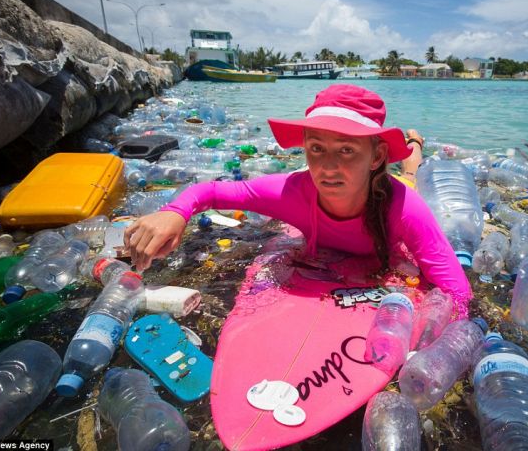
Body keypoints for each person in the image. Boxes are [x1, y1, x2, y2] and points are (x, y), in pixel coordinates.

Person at [124, 84, 472, 317]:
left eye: (347, 150)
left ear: (378, 155)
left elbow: (459, 295)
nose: (329, 167)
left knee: (411, 175)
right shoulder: (290, 192)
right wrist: (174, 212)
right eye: (317, 148)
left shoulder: (403, 209)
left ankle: (414, 145)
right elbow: (209, 191)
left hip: (398, 188)